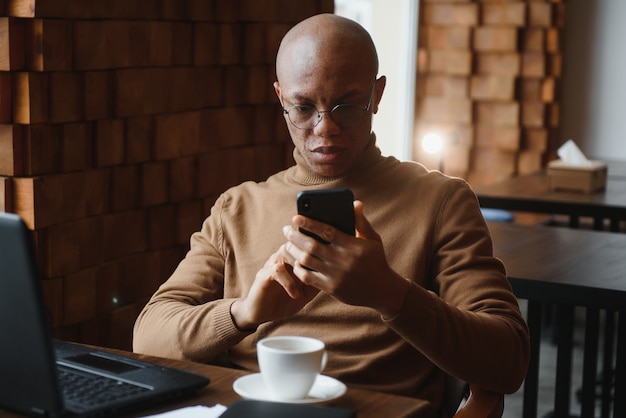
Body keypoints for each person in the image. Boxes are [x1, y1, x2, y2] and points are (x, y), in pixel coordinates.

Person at [133, 13, 529, 415]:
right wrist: (244, 312)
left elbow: (509, 358)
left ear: (377, 95)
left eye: (347, 106)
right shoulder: (238, 207)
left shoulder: (441, 201)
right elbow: (148, 337)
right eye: (303, 108)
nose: (325, 129)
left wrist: (388, 293)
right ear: (280, 98)